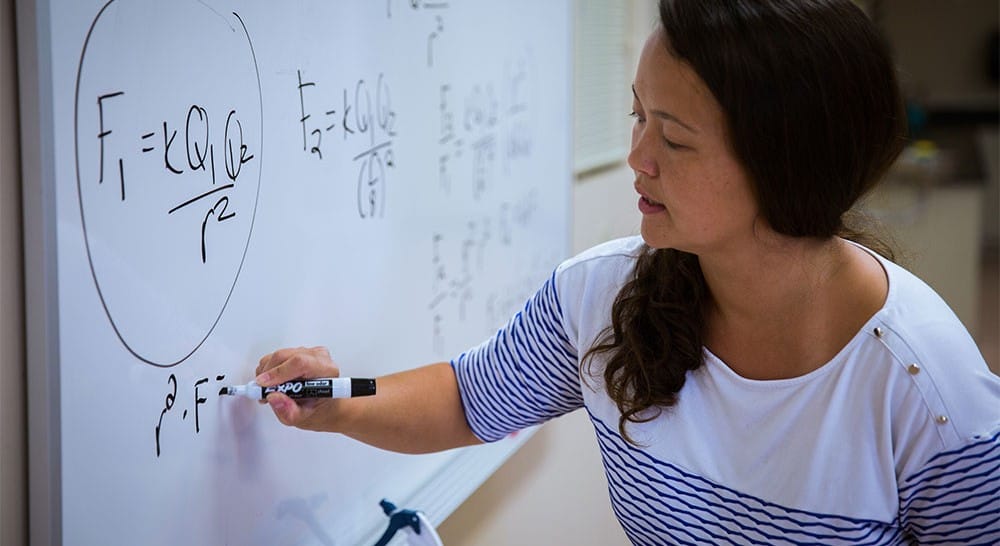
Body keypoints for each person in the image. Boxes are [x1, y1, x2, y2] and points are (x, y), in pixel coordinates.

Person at [256, 1, 1000, 543]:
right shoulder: (601, 295)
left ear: (786, 164)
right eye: (638, 115)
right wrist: (335, 396)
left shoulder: (930, 394)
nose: (639, 157)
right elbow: (464, 395)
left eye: (673, 139)